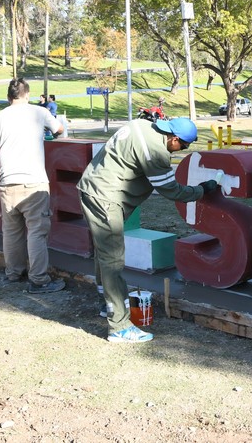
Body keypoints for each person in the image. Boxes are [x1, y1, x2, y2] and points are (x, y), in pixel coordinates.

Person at [77, 118, 219, 343]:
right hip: (106, 197)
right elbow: (171, 191)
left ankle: (109, 304)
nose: (181, 150)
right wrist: (201, 191)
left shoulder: (141, 125)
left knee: (104, 252)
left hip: (93, 188)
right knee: (113, 259)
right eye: (183, 146)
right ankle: (119, 326)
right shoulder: (156, 152)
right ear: (173, 139)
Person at [0, 78, 65, 294]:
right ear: (27, 95)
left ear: (8, 97)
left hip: (6, 183)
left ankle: (13, 273)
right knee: (36, 232)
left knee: (11, 232)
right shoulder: (39, 112)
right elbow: (59, 129)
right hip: (34, 182)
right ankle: (38, 279)